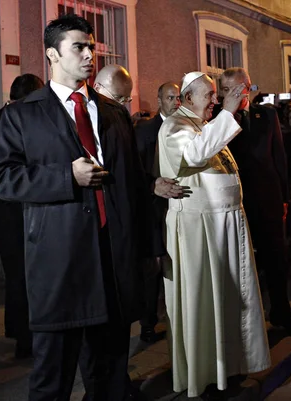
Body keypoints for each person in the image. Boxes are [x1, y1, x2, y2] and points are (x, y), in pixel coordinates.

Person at [0, 14, 159, 401]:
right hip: (60, 263)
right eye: (78, 47)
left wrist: (147, 250)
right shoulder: (22, 115)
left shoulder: (113, 113)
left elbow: (132, 185)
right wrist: (66, 176)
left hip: (112, 259)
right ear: (52, 54)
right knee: (53, 378)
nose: (89, 55)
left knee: (111, 375)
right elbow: (2, 179)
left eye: (91, 46)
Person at [158, 71, 271, 399]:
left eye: (215, 95)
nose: (215, 101)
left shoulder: (201, 125)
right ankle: (206, 374)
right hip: (199, 232)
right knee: (205, 305)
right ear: (188, 98)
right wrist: (229, 112)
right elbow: (194, 156)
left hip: (223, 227)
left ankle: (228, 367)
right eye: (208, 95)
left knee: (228, 303)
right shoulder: (175, 126)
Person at [219, 67, 291, 336]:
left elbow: (278, 156)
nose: (228, 95)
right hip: (235, 202)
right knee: (240, 265)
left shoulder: (266, 114)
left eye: (233, 89)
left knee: (276, 261)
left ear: (246, 88)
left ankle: (281, 314)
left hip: (267, 199)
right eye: (224, 90)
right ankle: (243, 325)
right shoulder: (217, 118)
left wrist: (282, 197)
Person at [0, 73, 44, 358]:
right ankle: (25, 339)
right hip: (15, 214)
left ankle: (17, 329)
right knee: (23, 277)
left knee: (16, 277)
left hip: (2, 214)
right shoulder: (17, 121)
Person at [133, 82, 181, 343]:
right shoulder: (145, 130)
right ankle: (148, 323)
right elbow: (138, 166)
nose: (175, 102)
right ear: (159, 99)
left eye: (178, 97)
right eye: (170, 97)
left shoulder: (185, 127)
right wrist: (154, 186)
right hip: (154, 207)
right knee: (153, 268)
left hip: (179, 203)